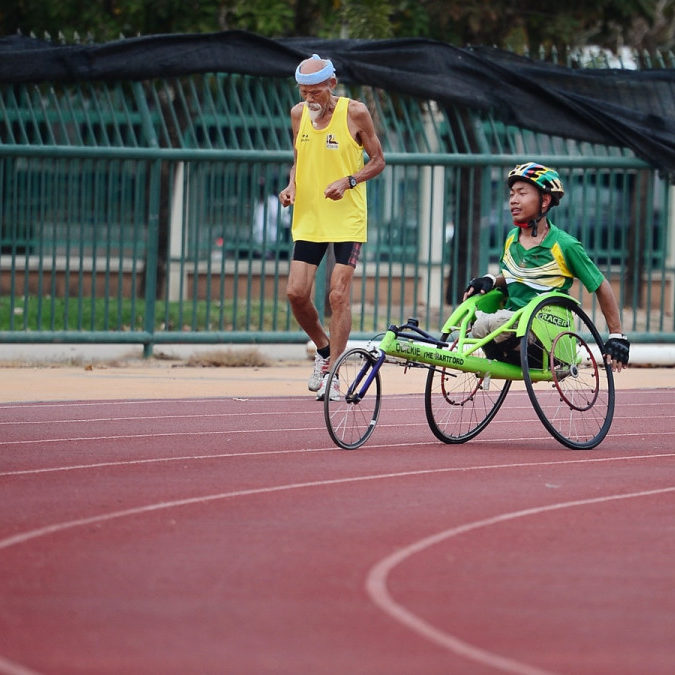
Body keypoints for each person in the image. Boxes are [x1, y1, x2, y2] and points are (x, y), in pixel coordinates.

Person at [279, 54, 386, 400]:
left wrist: (349, 180)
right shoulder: (298, 115)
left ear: (332, 85)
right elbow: (298, 158)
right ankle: (324, 350)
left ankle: (335, 374)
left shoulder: (354, 112)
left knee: (337, 294)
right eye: (303, 92)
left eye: (315, 92)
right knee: (296, 294)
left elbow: (379, 161)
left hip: (346, 218)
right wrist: (292, 185)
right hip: (309, 217)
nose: (309, 99)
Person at [463, 162, 630, 372]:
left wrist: (616, 335)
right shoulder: (511, 239)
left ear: (545, 200)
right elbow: (518, 276)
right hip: (511, 330)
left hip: (545, 338)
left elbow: (600, 285)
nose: (513, 200)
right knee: (472, 320)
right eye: (512, 194)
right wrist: (491, 279)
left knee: (494, 323)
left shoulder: (565, 245)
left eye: (522, 193)